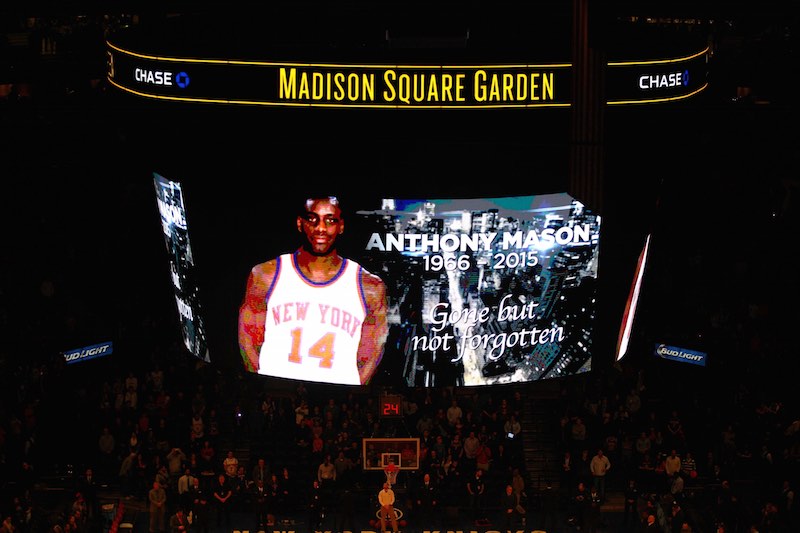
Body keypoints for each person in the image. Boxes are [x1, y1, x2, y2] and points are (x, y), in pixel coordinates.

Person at [238, 195, 389, 385]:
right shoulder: (266, 275)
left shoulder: (369, 286)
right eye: (312, 219)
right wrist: (266, 384)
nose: (321, 228)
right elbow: (248, 340)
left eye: (330, 220)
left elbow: (372, 352)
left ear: (341, 226)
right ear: (300, 223)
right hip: (277, 392)